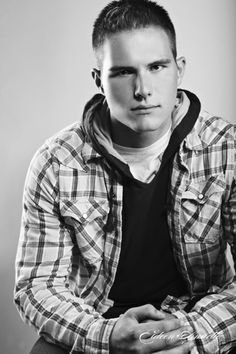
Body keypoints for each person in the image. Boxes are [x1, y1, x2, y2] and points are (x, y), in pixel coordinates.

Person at [14, 0, 236, 353]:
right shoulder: (56, 162)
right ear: (98, 80)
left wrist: (190, 334)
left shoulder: (226, 149)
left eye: (157, 67)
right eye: (122, 72)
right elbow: (36, 286)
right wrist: (105, 335)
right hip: (96, 321)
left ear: (179, 70)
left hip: (196, 318)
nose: (142, 89)